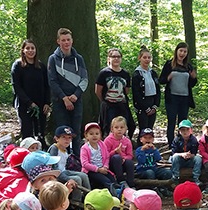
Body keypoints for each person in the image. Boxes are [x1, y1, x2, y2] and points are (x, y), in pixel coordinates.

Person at [48, 28, 88, 156]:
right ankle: (62, 160)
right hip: (60, 101)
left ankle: (76, 159)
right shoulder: (53, 59)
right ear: (58, 41)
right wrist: (64, 98)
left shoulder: (79, 59)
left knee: (75, 132)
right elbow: (52, 81)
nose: (66, 43)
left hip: (76, 100)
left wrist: (76, 95)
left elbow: (85, 79)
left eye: (68, 40)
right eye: (63, 40)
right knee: (62, 133)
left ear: (72, 41)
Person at [11, 39, 50, 148]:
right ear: (23, 50)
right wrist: (29, 103)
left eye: (32, 48)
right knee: (27, 133)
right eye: (27, 48)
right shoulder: (18, 65)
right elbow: (16, 86)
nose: (30, 51)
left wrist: (47, 102)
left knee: (40, 133)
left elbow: (47, 86)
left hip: (41, 105)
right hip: (24, 105)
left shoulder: (41, 66)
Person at [159, 42, 198, 146]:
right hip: (172, 98)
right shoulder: (169, 64)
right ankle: (171, 145)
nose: (182, 53)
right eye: (181, 51)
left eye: (185, 51)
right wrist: (168, 78)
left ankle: (181, 144)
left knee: (182, 123)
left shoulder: (188, 66)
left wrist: (194, 78)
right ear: (176, 51)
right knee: (171, 122)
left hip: (184, 99)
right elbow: (161, 80)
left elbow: (192, 84)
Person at [95, 48, 136, 139]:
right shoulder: (104, 73)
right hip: (109, 105)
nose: (116, 59)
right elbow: (98, 91)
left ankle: (124, 146)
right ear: (109, 58)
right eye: (113, 56)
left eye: (118, 56)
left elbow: (126, 90)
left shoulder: (125, 74)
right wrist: (104, 101)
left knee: (127, 126)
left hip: (121, 104)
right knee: (109, 128)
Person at [48, 125, 91, 200]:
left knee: (84, 175)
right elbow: (53, 167)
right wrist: (67, 178)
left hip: (64, 171)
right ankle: (76, 200)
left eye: (69, 138)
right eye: (63, 137)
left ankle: (89, 196)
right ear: (56, 138)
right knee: (77, 179)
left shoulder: (65, 150)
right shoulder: (54, 148)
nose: (67, 140)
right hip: (56, 174)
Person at [80, 122, 117, 191]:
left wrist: (105, 166)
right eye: (91, 134)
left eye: (97, 134)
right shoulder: (84, 148)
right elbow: (85, 164)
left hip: (102, 168)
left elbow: (107, 157)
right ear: (86, 135)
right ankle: (114, 194)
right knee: (106, 181)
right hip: (91, 171)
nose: (94, 136)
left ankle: (119, 191)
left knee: (112, 179)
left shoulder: (102, 145)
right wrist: (98, 169)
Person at [132, 46, 160, 132]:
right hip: (142, 105)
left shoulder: (153, 73)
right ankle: (141, 145)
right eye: (144, 57)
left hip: (152, 102)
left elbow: (158, 90)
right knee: (143, 130)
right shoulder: (137, 74)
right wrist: (146, 108)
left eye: (149, 57)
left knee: (150, 129)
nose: (147, 59)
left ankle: (150, 145)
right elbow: (136, 93)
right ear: (139, 58)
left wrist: (155, 106)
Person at [103, 116, 135, 187]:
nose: (119, 130)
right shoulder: (108, 140)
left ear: (125, 129)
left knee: (129, 162)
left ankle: (131, 183)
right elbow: (105, 155)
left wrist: (124, 158)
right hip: (111, 164)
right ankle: (121, 180)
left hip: (123, 163)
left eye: (122, 127)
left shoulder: (127, 141)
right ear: (112, 129)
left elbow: (130, 155)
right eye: (116, 127)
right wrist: (114, 151)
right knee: (117, 157)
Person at [170, 120, 202, 185]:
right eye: (182, 130)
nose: (185, 132)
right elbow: (174, 153)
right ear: (179, 131)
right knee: (175, 157)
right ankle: (175, 178)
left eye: (187, 129)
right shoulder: (176, 139)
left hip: (189, 160)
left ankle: (196, 178)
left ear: (191, 130)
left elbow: (194, 153)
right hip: (179, 161)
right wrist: (182, 154)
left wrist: (189, 155)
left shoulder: (194, 140)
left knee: (198, 159)